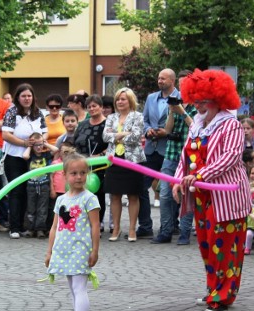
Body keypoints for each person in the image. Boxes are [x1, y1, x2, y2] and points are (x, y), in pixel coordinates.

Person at [172, 69, 251, 311]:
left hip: (225, 197)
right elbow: (186, 156)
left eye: (203, 101)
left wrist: (199, 176)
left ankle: (223, 296)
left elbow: (230, 157)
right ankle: (213, 288)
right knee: (207, 244)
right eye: (195, 100)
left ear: (218, 99)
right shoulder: (197, 124)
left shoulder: (231, 125)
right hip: (201, 196)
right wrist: (177, 180)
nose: (198, 105)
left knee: (226, 247)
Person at [45, 152, 100, 311]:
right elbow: (54, 227)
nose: (79, 177)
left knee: (79, 288)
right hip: (63, 250)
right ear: (65, 174)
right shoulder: (61, 200)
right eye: (74, 173)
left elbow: (95, 226)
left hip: (80, 250)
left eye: (83, 173)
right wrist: (49, 251)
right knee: (73, 289)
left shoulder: (90, 199)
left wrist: (94, 250)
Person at [152, 70, 197, 245]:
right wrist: (172, 111)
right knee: (164, 194)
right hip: (171, 153)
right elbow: (168, 130)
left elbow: (196, 128)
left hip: (190, 156)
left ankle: (185, 232)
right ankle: (166, 231)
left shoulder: (197, 105)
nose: (183, 87)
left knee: (187, 194)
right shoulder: (175, 101)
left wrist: (183, 112)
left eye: (187, 83)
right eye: (181, 83)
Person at [2, 83, 48, 238]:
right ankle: (14, 227)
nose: (27, 99)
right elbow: (6, 135)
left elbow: (45, 132)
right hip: (14, 156)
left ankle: (25, 225)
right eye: (23, 96)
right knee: (16, 191)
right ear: (18, 97)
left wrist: (39, 141)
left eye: (29, 96)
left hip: (33, 158)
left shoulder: (38, 112)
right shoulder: (12, 111)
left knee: (30, 191)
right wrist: (24, 143)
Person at [138, 69, 180, 239]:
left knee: (168, 189)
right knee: (141, 186)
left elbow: (182, 123)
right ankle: (145, 225)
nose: (160, 81)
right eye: (158, 78)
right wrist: (148, 130)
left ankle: (170, 225)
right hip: (150, 149)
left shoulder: (180, 98)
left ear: (172, 80)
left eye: (163, 78)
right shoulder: (151, 98)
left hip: (169, 148)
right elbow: (145, 119)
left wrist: (166, 133)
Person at [102, 87, 145, 242]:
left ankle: (132, 229)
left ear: (130, 101)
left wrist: (116, 136)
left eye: (123, 99)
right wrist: (121, 135)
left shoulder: (137, 116)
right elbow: (105, 136)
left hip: (132, 160)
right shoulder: (111, 117)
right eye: (118, 99)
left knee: (133, 195)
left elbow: (136, 137)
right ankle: (116, 229)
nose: (120, 102)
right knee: (114, 195)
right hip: (114, 160)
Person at [72, 95, 108, 224]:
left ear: (101, 107)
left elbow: (112, 145)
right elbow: (74, 142)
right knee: (80, 192)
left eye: (94, 106)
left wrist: (100, 155)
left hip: (99, 165)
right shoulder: (82, 125)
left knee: (97, 193)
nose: (92, 109)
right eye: (89, 107)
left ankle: (98, 222)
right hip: (81, 163)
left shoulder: (108, 124)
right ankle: (82, 220)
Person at [22, 132, 57, 238]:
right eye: (36, 145)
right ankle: (30, 228)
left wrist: (45, 143)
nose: (39, 147)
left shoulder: (46, 155)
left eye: (40, 144)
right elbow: (25, 156)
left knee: (42, 208)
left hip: (44, 185)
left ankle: (40, 229)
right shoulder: (31, 156)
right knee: (31, 208)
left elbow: (56, 150)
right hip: (32, 186)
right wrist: (29, 146)